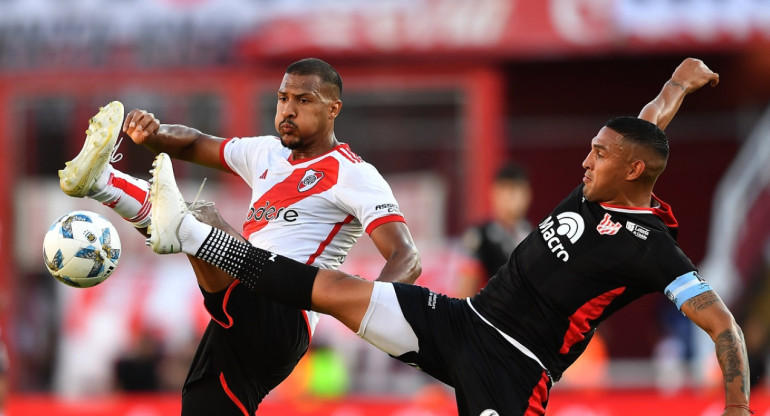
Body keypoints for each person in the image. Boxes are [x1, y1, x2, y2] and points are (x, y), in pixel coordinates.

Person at [145, 58, 752, 415]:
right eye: (591, 149)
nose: (586, 161)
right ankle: (193, 234)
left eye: (599, 154)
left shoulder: (654, 250)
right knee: (333, 287)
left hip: (514, 369)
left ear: (634, 171)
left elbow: (724, 326)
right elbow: (649, 119)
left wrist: (738, 409)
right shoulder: (601, 184)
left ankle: (192, 233)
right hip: (463, 322)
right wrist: (679, 81)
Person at [58, 58, 421, 414]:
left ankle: (104, 182)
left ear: (333, 109)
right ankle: (125, 195)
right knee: (202, 405)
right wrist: (154, 135)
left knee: (201, 217)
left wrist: (370, 304)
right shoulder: (265, 153)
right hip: (239, 307)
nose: (288, 110)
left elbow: (407, 257)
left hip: (285, 311)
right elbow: (194, 143)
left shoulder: (353, 173)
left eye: (303, 100)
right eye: (283, 98)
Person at [458, 162, 532, 296]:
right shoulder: (480, 236)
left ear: (527, 195)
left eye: (516, 190)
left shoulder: (533, 235)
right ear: (494, 193)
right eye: (506, 191)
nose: (511, 198)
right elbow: (466, 287)